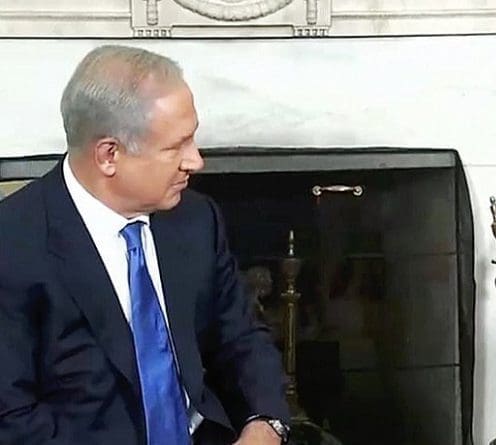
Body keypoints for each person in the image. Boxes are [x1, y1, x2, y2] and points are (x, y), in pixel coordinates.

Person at [0, 45, 289, 444]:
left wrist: (265, 423)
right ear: (108, 155)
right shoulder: (12, 244)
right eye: (176, 146)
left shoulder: (195, 219)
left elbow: (241, 337)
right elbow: (11, 417)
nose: (196, 161)